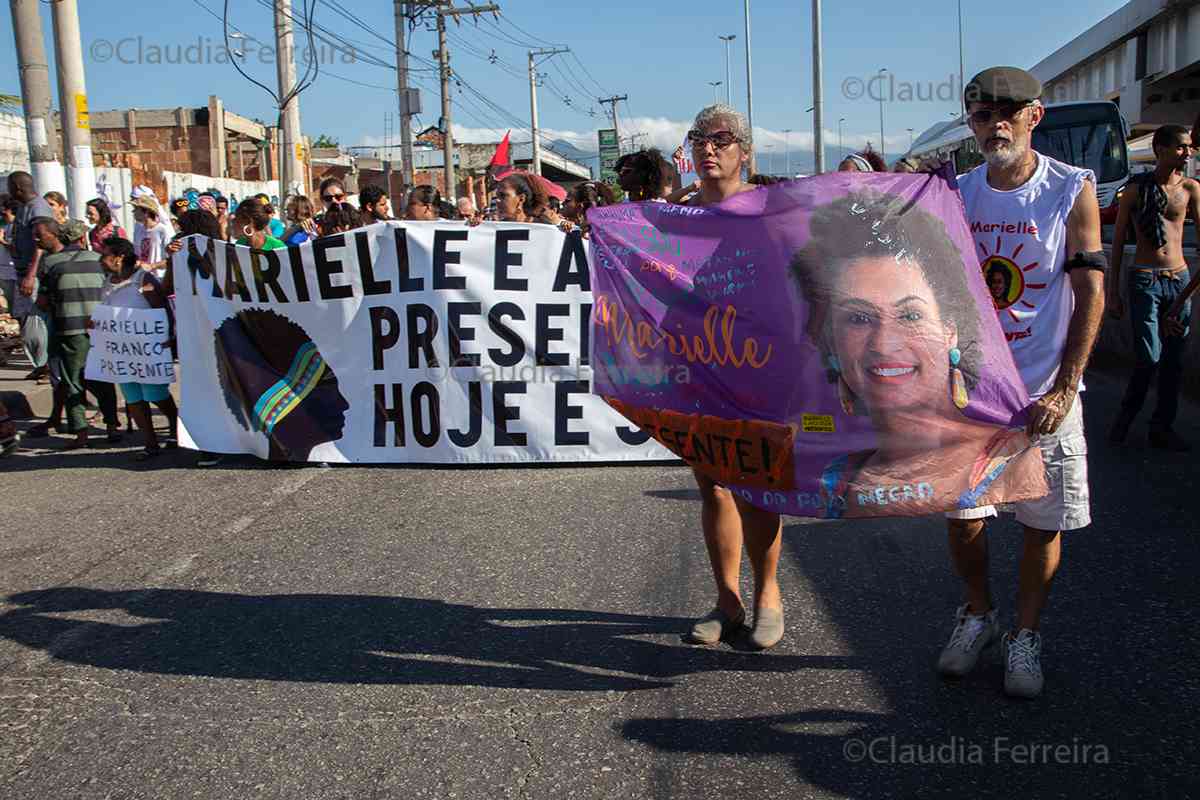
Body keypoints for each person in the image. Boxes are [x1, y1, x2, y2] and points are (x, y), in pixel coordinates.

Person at [938, 67, 1105, 699]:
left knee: (1044, 519)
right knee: (964, 516)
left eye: (1008, 112)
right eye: (982, 115)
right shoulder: (956, 194)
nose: (995, 124)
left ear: (1035, 115)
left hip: (1044, 389)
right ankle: (978, 614)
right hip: (974, 391)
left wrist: (1066, 385)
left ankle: (1025, 635)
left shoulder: (1069, 189)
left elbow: (1090, 288)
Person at [789, 190, 1045, 518]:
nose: (884, 344)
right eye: (858, 318)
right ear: (833, 342)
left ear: (951, 329)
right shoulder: (834, 477)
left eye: (910, 315)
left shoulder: (1005, 457)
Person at [678, 103, 785, 651]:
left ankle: (768, 595)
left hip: (759, 368)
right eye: (699, 138)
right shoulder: (674, 216)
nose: (708, 147)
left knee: (758, 480)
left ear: (746, 151)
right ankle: (727, 601)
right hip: (698, 367)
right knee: (712, 482)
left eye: (721, 139)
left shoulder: (769, 213)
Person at [1106, 124, 1199, 451]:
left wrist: (1183, 299)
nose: (1188, 153)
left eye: (1189, 147)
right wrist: (1112, 293)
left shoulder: (1191, 189)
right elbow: (1116, 243)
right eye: (1181, 147)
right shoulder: (1135, 190)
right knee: (1149, 357)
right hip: (1144, 279)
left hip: (1179, 280)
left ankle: (1162, 428)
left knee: (1174, 360)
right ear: (1160, 149)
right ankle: (1126, 417)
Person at [32, 218, 121, 448]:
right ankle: (112, 426)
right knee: (103, 377)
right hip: (99, 327)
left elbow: (42, 301)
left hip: (69, 330)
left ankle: (81, 433)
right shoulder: (99, 261)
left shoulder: (50, 262)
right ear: (83, 238)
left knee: (73, 380)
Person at [96, 236, 178, 459]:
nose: (101, 259)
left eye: (105, 254)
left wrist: (168, 338)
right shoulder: (108, 282)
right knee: (132, 397)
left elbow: (162, 310)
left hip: (148, 348)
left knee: (155, 393)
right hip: (122, 351)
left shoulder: (144, 279)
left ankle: (174, 422)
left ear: (120, 258)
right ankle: (150, 443)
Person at [7, 172, 55, 380]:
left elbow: (41, 243)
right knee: (26, 320)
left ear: (18, 187)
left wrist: (31, 274)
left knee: (36, 322)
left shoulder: (38, 207)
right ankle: (41, 363)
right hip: (22, 272)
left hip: (33, 274)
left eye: (9, 186)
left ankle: (47, 365)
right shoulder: (25, 208)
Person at [131, 195, 173, 277]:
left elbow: (171, 259)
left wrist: (152, 266)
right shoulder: (138, 231)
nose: (133, 212)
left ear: (146, 212)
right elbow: (137, 254)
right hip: (141, 277)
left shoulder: (162, 230)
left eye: (136, 209)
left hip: (160, 278)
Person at [0, 195, 18, 317]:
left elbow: (18, 250)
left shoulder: (18, 226)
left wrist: (2, 241)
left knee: (17, 307)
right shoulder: (2, 224)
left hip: (14, 272)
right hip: (3, 271)